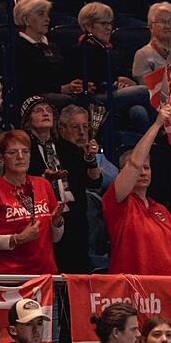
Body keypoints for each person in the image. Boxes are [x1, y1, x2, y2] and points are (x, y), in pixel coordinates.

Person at [102, 105, 171, 275]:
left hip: (166, 292)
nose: (143, 171)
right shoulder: (117, 202)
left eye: (147, 167)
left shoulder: (161, 210)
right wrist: (157, 124)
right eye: (140, 168)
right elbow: (134, 163)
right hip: (131, 292)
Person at [0, 129, 64, 274]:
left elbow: (56, 238)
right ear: (2, 158)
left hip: (45, 274)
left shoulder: (43, 184)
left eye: (25, 151)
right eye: (12, 152)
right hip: (9, 276)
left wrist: (57, 223)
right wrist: (17, 239)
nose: (20, 156)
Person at [68, 2, 152, 133]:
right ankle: (164, 127)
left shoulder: (111, 51)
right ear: (89, 26)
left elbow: (124, 76)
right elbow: (87, 82)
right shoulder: (79, 50)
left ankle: (146, 149)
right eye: (103, 24)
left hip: (115, 95)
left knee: (138, 111)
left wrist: (126, 82)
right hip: (95, 99)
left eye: (110, 24)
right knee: (143, 91)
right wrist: (114, 82)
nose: (109, 28)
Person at [12, 0, 81, 112]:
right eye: (41, 14)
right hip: (33, 100)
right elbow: (25, 84)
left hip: (59, 95)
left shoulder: (53, 46)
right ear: (26, 19)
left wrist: (73, 85)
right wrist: (61, 89)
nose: (47, 19)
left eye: (47, 14)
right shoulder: (17, 48)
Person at [56, 104, 102, 274]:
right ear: (62, 129)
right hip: (61, 223)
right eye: (75, 127)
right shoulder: (58, 151)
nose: (82, 132)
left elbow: (95, 182)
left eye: (85, 127)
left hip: (79, 223)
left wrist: (91, 160)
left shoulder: (82, 153)